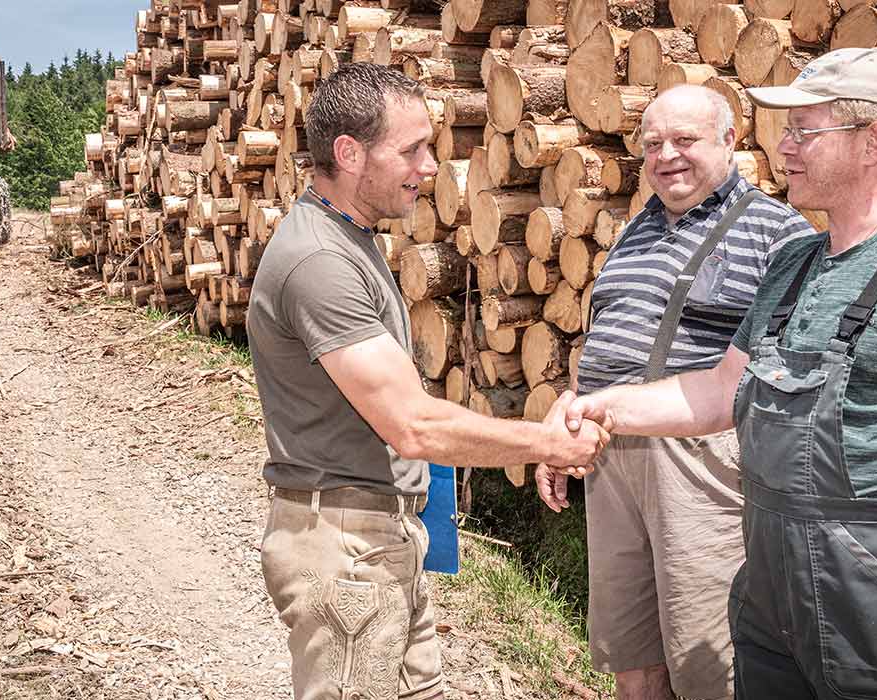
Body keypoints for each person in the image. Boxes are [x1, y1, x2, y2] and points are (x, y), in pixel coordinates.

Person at [561, 48, 877, 700]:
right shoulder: (795, 264)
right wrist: (596, 408)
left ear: (873, 142)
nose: (782, 148)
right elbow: (720, 390)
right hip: (770, 588)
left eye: (802, 131)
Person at [246, 62, 610, 700]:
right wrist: (546, 444)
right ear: (350, 153)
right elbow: (411, 424)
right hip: (347, 552)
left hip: (378, 543)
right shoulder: (321, 262)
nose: (428, 167)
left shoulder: (352, 239)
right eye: (411, 150)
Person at [533, 85, 815, 700]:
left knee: (706, 648)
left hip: (700, 458)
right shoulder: (639, 228)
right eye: (653, 142)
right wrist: (569, 412)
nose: (666, 156)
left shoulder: (779, 232)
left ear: (730, 142)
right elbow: (609, 331)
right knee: (628, 640)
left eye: (684, 140)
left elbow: (785, 370)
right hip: (610, 449)